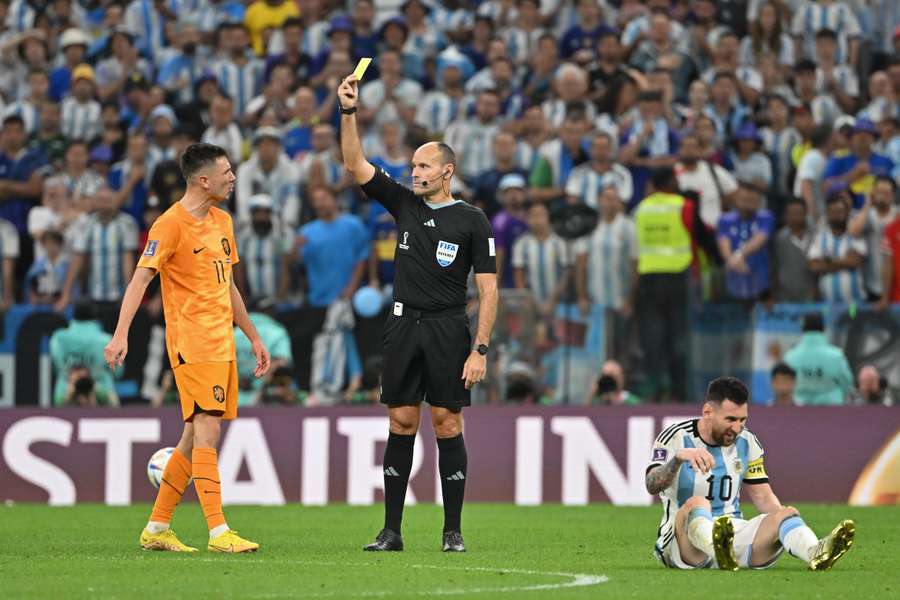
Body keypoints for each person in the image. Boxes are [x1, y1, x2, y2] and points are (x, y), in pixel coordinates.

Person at [339, 72, 498, 553]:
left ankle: (452, 531)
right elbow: (354, 163)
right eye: (413, 165)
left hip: (450, 327)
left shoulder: (472, 220)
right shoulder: (404, 205)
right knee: (401, 423)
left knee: (447, 423)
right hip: (403, 324)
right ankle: (392, 531)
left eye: (424, 166)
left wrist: (480, 350)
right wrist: (349, 111)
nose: (416, 172)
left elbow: (489, 292)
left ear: (447, 171)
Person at [103, 143, 271, 553]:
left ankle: (157, 529)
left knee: (193, 436)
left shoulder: (223, 221)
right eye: (227, 172)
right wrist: (121, 333)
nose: (233, 178)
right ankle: (219, 533)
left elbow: (227, 285)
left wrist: (252, 335)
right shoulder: (169, 225)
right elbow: (140, 281)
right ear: (203, 179)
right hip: (192, 342)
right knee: (208, 432)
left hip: (222, 341)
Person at [647, 376, 855, 571]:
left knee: (786, 513)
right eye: (730, 419)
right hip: (681, 545)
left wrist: (784, 522)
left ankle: (815, 552)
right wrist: (678, 458)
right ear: (708, 412)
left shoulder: (748, 442)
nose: (737, 428)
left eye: (742, 420)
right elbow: (652, 484)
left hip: (734, 534)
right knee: (698, 503)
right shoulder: (675, 436)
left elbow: (763, 496)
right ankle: (717, 549)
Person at [633, 166, 718, 403]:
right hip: (677, 276)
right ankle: (679, 392)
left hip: (648, 276)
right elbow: (701, 235)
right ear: (669, 182)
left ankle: (654, 390)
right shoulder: (683, 205)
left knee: (652, 337)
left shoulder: (642, 208)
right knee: (678, 337)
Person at [49, 301, 119, 407]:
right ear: (95, 317)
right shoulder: (107, 341)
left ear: (74, 316)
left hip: (65, 392)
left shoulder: (58, 338)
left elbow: (56, 367)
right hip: (103, 395)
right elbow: (117, 372)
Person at [716, 182, 774, 302]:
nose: (748, 202)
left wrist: (739, 255)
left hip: (760, 278)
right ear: (736, 199)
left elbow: (760, 238)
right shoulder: (725, 219)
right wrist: (731, 259)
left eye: (752, 199)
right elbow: (723, 242)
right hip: (733, 275)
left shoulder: (765, 217)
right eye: (744, 199)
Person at [808, 189, 867, 303]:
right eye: (832, 211)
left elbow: (856, 262)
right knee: (831, 321)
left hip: (854, 303)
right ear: (827, 213)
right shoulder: (820, 237)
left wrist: (829, 261)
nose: (836, 215)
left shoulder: (855, 234)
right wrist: (845, 262)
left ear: (846, 213)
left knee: (853, 319)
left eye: (840, 211)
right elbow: (814, 266)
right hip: (829, 303)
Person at [784, 312, 853, 406]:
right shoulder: (836, 355)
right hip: (832, 409)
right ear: (823, 329)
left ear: (802, 329)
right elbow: (847, 383)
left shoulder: (790, 357)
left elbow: (785, 386)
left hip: (799, 411)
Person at [847, 176, 897, 300]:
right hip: (870, 283)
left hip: (896, 284)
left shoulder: (897, 215)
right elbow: (853, 232)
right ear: (873, 192)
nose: (882, 197)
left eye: (887, 193)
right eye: (879, 192)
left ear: (893, 195)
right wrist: (868, 203)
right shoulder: (866, 214)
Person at [772, 198, 817, 302]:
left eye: (799, 213)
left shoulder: (816, 236)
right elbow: (774, 268)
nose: (795, 217)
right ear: (785, 216)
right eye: (791, 213)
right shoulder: (779, 239)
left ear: (806, 214)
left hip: (812, 294)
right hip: (785, 295)